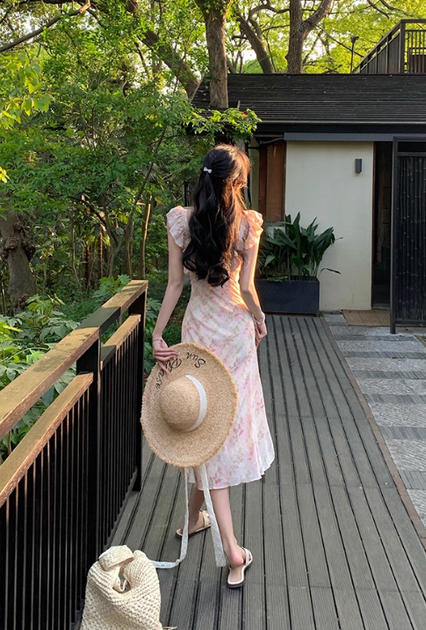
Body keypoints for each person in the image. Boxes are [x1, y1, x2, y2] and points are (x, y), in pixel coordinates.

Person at [151, 144, 275, 587]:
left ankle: (194, 519)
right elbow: (248, 287)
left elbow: (174, 284)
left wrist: (158, 334)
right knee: (221, 429)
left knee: (204, 426)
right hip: (235, 336)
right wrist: (259, 319)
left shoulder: (181, 221)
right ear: (235, 183)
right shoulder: (247, 225)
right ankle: (232, 549)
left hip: (200, 334)